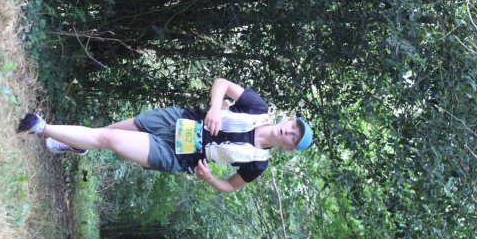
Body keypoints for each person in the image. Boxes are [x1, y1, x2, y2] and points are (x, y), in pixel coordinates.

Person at [18, 78, 313, 192]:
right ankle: (76, 145)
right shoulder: (257, 107)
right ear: (288, 120)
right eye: (292, 126)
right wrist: (214, 108)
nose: (288, 131)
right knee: (106, 133)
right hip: (179, 121)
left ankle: (41, 127)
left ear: (288, 148)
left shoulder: (258, 163)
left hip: (180, 156)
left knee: (108, 140)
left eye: (293, 137)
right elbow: (222, 83)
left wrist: (209, 177)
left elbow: (230, 186)